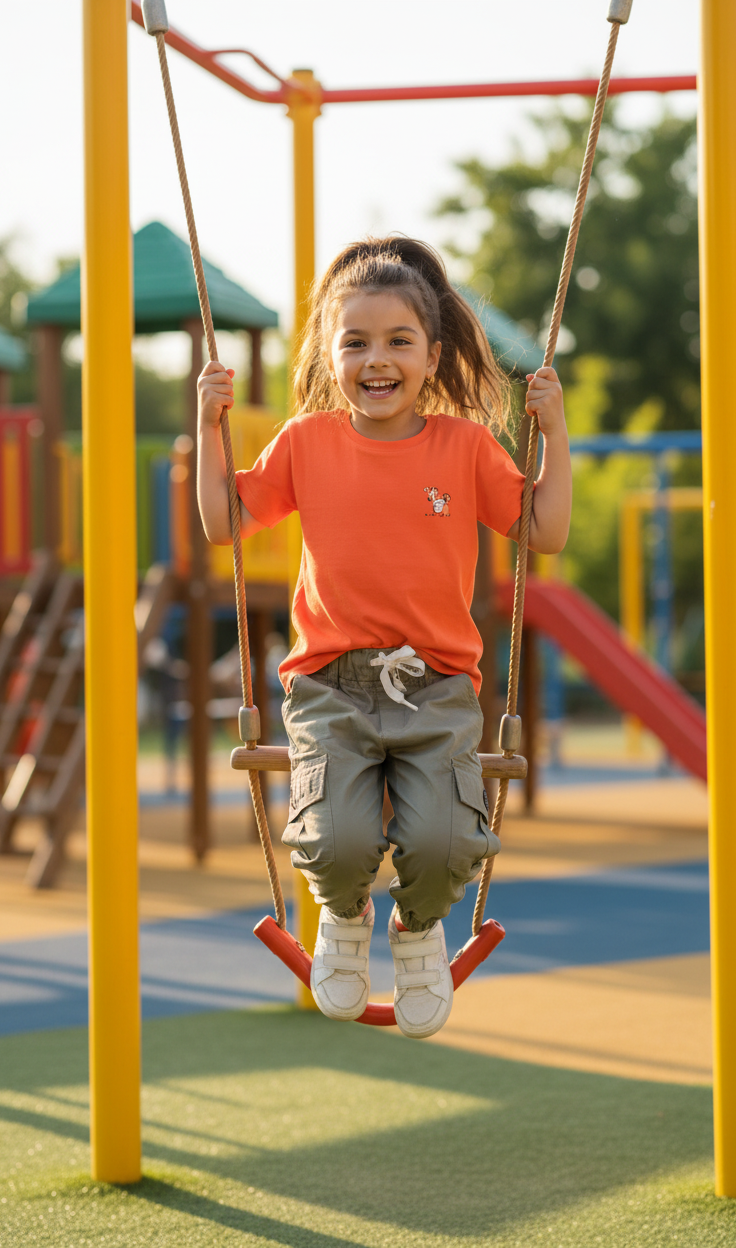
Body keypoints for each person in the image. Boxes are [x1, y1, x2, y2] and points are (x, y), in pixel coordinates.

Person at [196, 237, 571, 1038]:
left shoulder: (465, 448)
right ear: (332, 357)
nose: (377, 359)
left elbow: (543, 530)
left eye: (399, 341)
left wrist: (555, 431)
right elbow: (222, 521)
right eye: (355, 342)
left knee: (441, 845)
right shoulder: (306, 441)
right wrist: (208, 424)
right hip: (329, 682)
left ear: (432, 357)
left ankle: (417, 931)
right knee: (335, 843)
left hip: (436, 684)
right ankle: (344, 918)